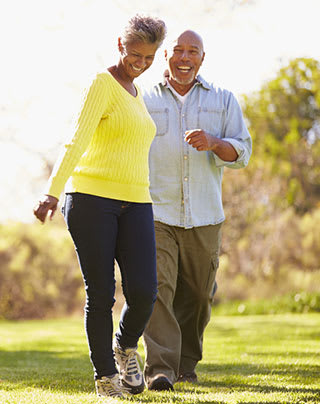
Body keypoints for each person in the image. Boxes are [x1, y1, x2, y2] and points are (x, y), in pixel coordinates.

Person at [33, 15, 166, 398]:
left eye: (149, 57)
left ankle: (124, 348)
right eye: (135, 54)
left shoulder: (137, 94)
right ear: (120, 45)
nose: (140, 63)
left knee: (144, 291)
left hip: (137, 199)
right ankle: (106, 377)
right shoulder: (102, 84)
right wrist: (51, 192)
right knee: (102, 293)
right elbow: (76, 140)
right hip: (91, 199)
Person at [142, 30, 252, 391]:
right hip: (156, 213)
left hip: (205, 216)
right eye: (178, 51)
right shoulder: (143, 98)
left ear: (203, 58)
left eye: (193, 51)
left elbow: (243, 152)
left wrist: (215, 143)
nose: (184, 58)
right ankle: (160, 369)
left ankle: (186, 363)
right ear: (165, 57)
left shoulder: (223, 100)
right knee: (157, 289)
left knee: (199, 294)